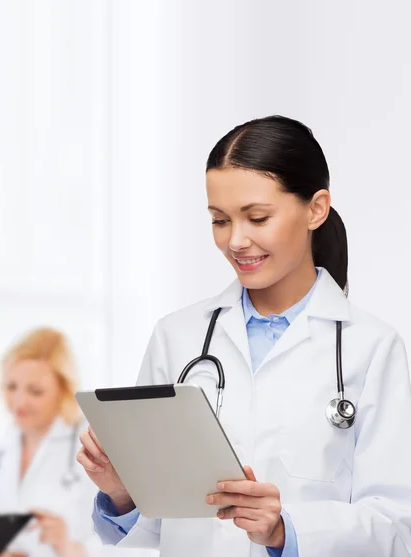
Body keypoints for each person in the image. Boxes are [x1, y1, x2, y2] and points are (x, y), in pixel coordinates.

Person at [77, 115, 411, 556]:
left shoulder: (370, 347)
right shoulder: (177, 337)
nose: (236, 241)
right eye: (220, 220)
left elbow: (396, 523)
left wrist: (285, 530)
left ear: (316, 208)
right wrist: (124, 493)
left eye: (257, 217)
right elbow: (162, 523)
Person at [0, 327, 102, 557]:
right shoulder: (2, 450)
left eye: (35, 391)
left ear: (62, 390)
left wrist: (66, 545)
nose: (19, 402)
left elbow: (124, 541)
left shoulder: (91, 442)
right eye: (11, 387)